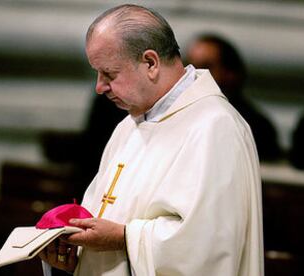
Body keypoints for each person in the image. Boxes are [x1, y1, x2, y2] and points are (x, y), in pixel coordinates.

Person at [40, 4, 264, 276]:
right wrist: (79, 257)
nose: (99, 87)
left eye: (109, 74)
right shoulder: (128, 126)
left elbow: (208, 249)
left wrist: (122, 238)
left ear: (150, 63)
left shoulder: (216, 128)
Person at [185, 33, 282, 161]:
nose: (194, 75)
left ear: (230, 74)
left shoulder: (256, 128)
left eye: (205, 67)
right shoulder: (178, 117)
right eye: (189, 66)